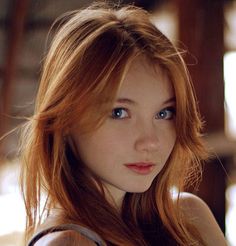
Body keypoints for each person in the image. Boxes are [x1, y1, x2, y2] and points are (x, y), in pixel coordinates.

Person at [20, 2, 226, 245]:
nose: (151, 141)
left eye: (165, 113)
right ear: (65, 120)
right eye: (119, 113)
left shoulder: (189, 218)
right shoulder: (67, 243)